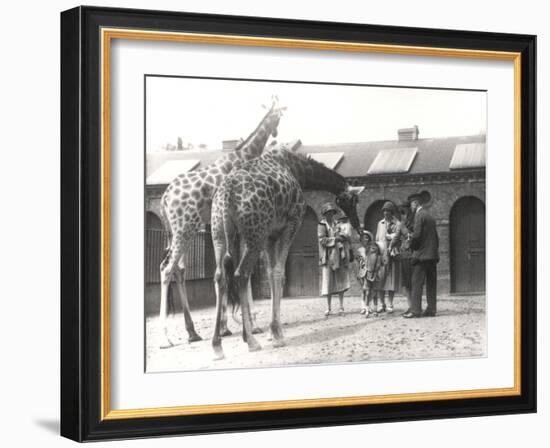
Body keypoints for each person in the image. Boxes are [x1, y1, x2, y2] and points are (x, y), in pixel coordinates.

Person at [403, 193, 440, 318]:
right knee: (431, 283)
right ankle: (431, 309)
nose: (411, 208)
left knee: (416, 282)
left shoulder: (419, 215)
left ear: (416, 203)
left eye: (412, 205)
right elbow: (435, 237)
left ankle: (416, 311)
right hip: (432, 255)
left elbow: (417, 235)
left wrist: (410, 245)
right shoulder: (430, 216)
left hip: (422, 256)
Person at [318, 202, 352, 317]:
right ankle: (328, 307)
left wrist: (342, 237)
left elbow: (344, 235)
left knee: (340, 280)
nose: (330, 215)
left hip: (339, 255)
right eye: (328, 213)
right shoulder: (321, 225)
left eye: (332, 213)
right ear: (324, 214)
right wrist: (334, 239)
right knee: (328, 281)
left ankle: (341, 306)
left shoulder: (337, 224)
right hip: (327, 257)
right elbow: (322, 240)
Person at [375, 201, 401, 313]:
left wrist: (391, 238)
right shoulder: (380, 223)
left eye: (388, 211)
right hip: (381, 256)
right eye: (384, 211)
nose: (386, 213)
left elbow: (398, 238)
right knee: (380, 280)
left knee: (391, 280)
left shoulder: (397, 223)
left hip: (392, 255)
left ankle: (390, 303)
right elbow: (377, 239)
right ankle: (382, 304)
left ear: (392, 212)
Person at [355, 230, 382, 317]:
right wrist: (359, 272)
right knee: (364, 290)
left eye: (366, 238)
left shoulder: (373, 249)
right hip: (363, 271)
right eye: (363, 238)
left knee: (372, 290)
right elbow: (358, 262)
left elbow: (377, 260)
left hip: (371, 271)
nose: (365, 240)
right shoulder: (360, 250)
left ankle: (372, 307)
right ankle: (364, 307)